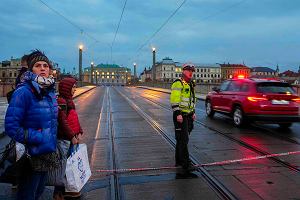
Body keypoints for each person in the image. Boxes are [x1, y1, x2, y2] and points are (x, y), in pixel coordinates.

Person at [5, 50, 59, 200]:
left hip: (46, 154)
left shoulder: (49, 91)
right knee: (27, 195)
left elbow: (51, 122)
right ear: (31, 69)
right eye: (38, 65)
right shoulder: (24, 92)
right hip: (30, 156)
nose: (43, 68)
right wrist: (39, 137)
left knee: (39, 192)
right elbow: (11, 127)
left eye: (45, 65)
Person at [53, 77, 83, 200]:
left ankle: (68, 189)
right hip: (65, 139)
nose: (75, 89)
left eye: (75, 87)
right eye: (73, 87)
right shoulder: (62, 101)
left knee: (69, 164)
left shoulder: (69, 101)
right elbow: (63, 122)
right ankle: (59, 193)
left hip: (71, 137)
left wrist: (79, 130)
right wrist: (71, 136)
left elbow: (74, 118)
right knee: (63, 166)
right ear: (66, 89)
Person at [170, 63, 198, 178]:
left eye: (192, 71)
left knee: (181, 140)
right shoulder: (178, 83)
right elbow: (174, 99)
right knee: (183, 139)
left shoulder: (191, 84)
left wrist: (193, 112)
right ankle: (186, 164)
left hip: (188, 116)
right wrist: (178, 113)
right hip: (180, 116)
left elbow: (191, 100)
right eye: (188, 70)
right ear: (183, 71)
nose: (190, 72)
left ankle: (179, 161)